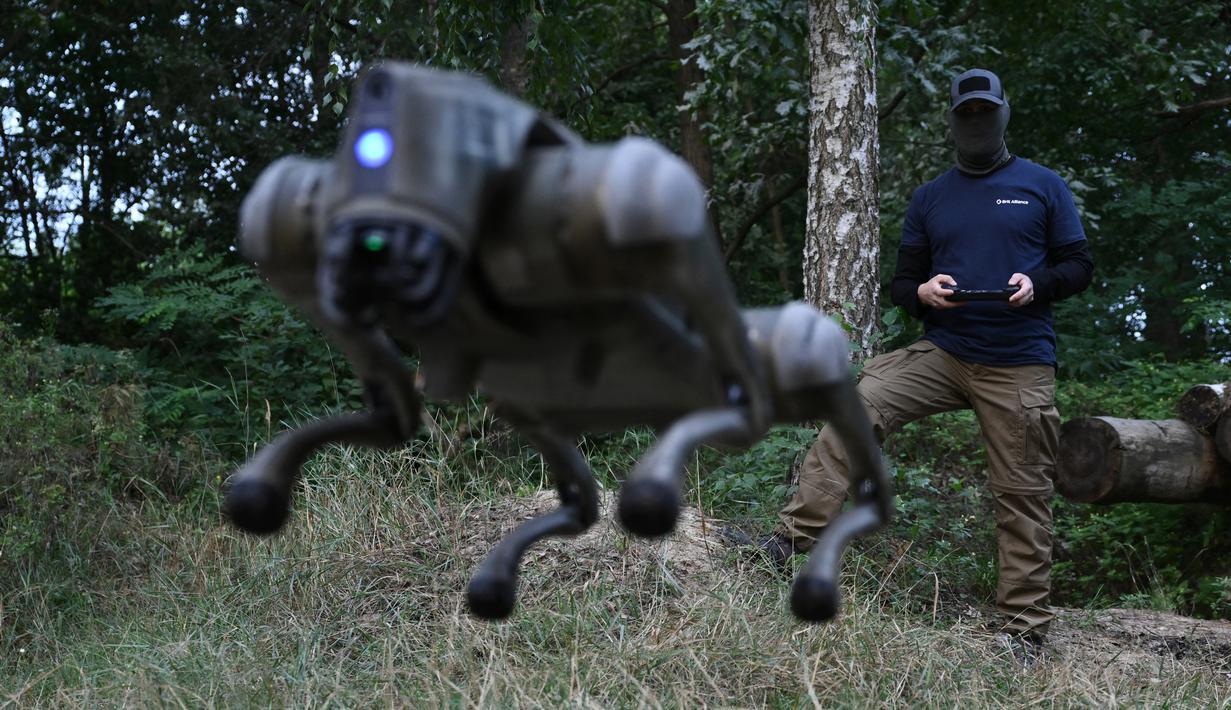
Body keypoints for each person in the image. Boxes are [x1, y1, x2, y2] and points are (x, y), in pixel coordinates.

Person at [750, 68, 1094, 649]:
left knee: (1022, 491)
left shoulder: (1043, 185)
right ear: (956, 121)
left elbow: (1079, 265)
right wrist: (923, 293)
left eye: (987, 112)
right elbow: (903, 284)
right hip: (945, 350)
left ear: (1003, 113)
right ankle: (787, 545)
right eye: (968, 114)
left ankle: (1022, 631)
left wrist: (1038, 283)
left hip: (1017, 360)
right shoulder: (931, 197)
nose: (978, 122)